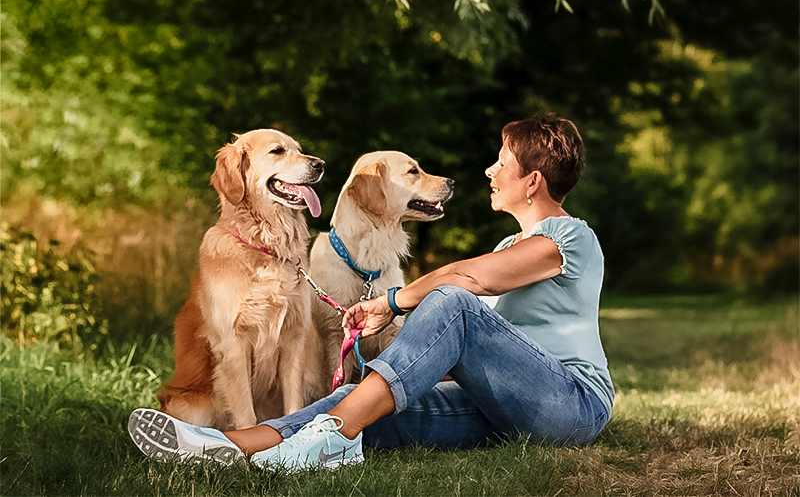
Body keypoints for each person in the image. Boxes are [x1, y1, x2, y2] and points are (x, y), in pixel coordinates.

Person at [128, 114, 614, 471]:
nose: (488, 170)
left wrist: (390, 303)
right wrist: (404, 367)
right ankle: (232, 445)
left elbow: (470, 281)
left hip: (570, 403)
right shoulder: (511, 243)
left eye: (501, 163)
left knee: (452, 303)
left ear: (532, 182)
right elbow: (471, 347)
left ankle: (330, 436)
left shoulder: (571, 238)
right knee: (365, 403)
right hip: (504, 406)